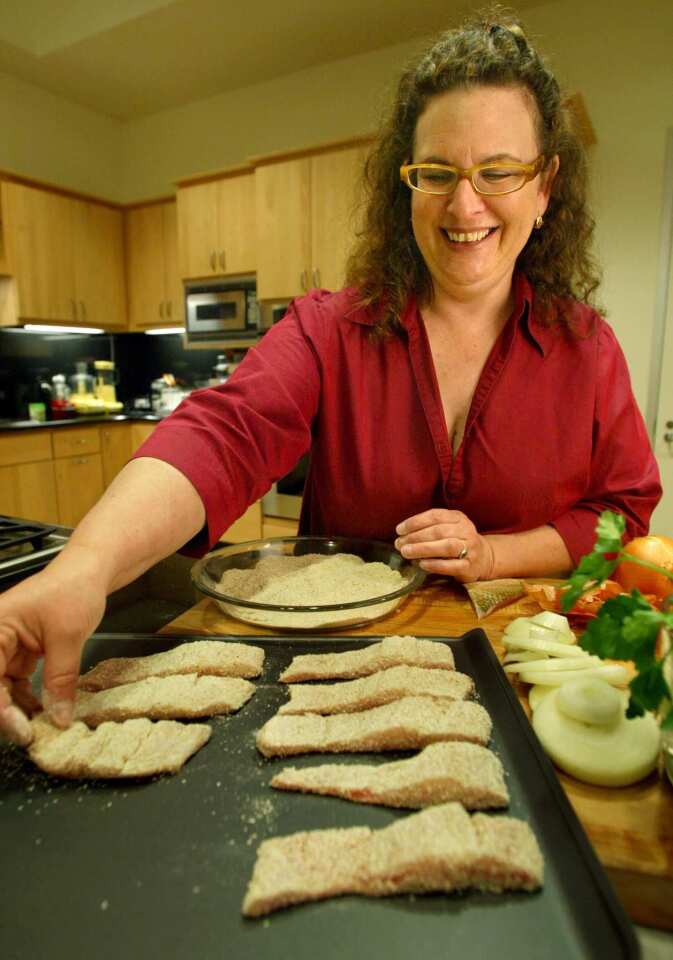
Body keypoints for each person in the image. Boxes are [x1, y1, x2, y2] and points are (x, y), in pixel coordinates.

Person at [0, 11, 661, 747]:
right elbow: (224, 433)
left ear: (544, 189)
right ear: (403, 186)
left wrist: (494, 554)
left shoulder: (587, 349)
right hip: (327, 681)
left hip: (522, 689)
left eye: (498, 172)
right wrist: (85, 569)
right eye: (436, 172)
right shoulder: (328, 328)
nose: (464, 204)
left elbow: (621, 514)